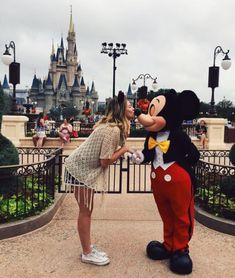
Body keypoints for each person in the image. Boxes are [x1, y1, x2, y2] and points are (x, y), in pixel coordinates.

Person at [64, 91, 134, 266]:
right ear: (121, 110)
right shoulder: (113, 130)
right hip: (79, 170)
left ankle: (87, 247)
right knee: (85, 212)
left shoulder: (111, 127)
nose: (133, 108)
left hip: (79, 168)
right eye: (130, 105)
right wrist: (124, 150)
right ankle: (87, 253)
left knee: (86, 211)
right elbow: (104, 161)